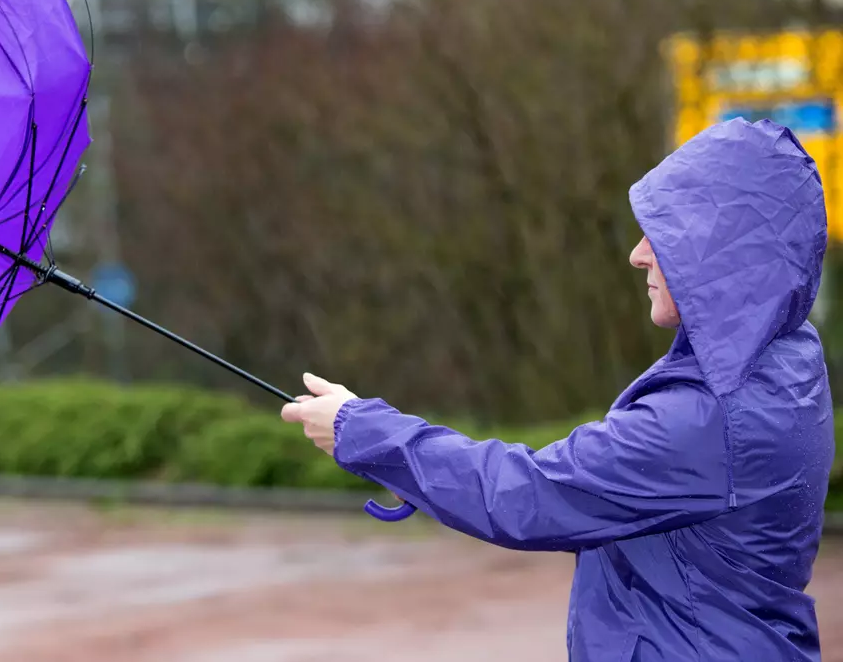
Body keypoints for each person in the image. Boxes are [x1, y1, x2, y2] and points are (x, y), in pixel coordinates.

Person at [281, 118, 835, 661]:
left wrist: (362, 431)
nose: (637, 254)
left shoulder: (711, 419)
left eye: (666, 237)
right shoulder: (785, 358)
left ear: (724, 253)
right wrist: (417, 475)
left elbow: (534, 494)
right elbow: (603, 491)